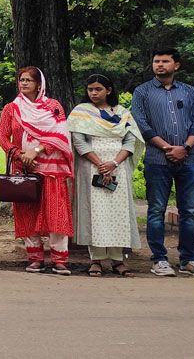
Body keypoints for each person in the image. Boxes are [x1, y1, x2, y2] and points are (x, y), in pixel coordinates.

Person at [130, 48, 194, 277]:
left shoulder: (190, 92)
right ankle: (159, 259)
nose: (160, 65)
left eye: (165, 61)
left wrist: (186, 147)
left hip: (190, 159)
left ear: (176, 65)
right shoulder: (142, 92)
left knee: (189, 211)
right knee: (156, 209)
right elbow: (141, 123)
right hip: (157, 159)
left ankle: (188, 260)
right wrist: (167, 147)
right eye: (156, 61)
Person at [0, 66, 73, 275]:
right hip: (23, 168)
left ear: (39, 84)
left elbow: (61, 135)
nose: (23, 83)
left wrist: (37, 150)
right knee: (27, 212)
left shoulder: (53, 106)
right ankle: (35, 258)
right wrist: (20, 154)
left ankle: (59, 260)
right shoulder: (11, 108)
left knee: (55, 212)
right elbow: (3, 137)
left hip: (51, 169)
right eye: (21, 80)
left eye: (28, 80)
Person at [69, 73, 144, 277]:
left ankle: (118, 260)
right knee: (94, 212)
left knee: (118, 212)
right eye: (90, 89)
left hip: (118, 167)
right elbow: (79, 141)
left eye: (98, 89)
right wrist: (100, 164)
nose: (93, 93)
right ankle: (96, 260)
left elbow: (130, 141)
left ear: (108, 91)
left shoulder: (122, 113)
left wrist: (114, 163)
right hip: (91, 167)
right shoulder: (81, 112)